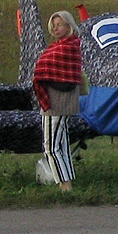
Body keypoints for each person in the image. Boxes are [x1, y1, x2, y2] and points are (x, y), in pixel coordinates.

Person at [32, 10, 83, 192]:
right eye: (53, 25)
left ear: (69, 26)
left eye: (59, 24)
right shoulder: (63, 46)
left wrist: (41, 74)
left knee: (51, 147)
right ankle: (67, 184)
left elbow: (42, 69)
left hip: (57, 103)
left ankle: (64, 184)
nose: (56, 28)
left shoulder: (67, 47)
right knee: (61, 144)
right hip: (58, 101)